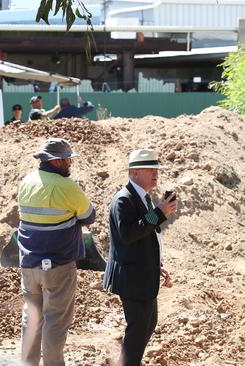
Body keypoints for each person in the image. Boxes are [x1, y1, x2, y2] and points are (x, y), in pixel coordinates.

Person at [17, 138, 96, 366]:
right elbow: (89, 216)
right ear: (58, 161)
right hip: (58, 265)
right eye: (68, 159)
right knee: (56, 321)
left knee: (31, 319)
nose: (71, 162)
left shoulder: (27, 181)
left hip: (28, 264)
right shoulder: (67, 187)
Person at [103, 149, 178, 366]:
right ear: (135, 172)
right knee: (138, 329)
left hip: (142, 274)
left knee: (148, 323)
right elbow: (128, 234)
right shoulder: (124, 199)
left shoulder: (141, 197)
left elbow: (143, 235)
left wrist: (157, 265)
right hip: (132, 277)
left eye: (157, 169)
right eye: (150, 169)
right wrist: (159, 212)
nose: (156, 173)